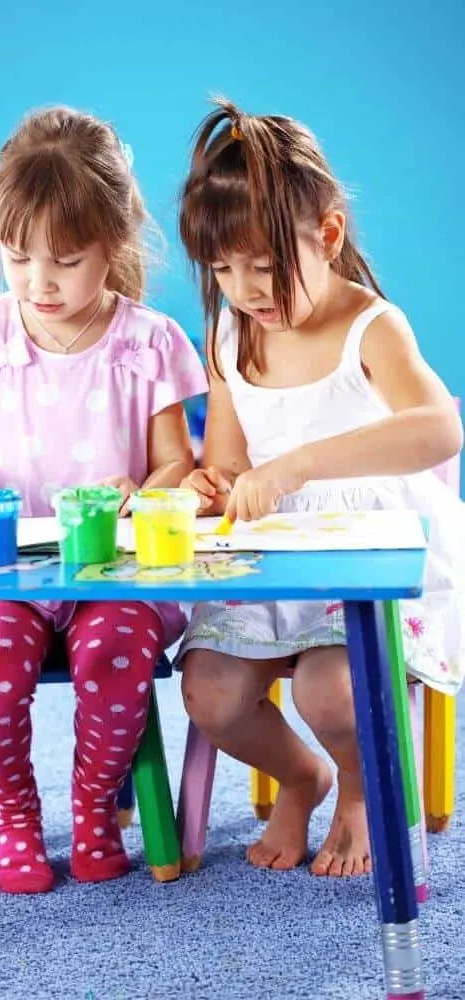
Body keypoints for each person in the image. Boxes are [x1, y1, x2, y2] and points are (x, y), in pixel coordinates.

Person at [0, 106, 208, 893]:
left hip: (112, 572)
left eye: (65, 260)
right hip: (5, 572)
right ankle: (18, 822)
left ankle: (96, 809)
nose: (40, 282)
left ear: (115, 244)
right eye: (18, 258)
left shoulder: (148, 342)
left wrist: (141, 490)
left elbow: (180, 466)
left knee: (115, 649)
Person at [176, 97, 465, 878]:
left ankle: (362, 788)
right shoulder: (230, 333)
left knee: (328, 689)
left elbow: (439, 430)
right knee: (209, 692)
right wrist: (212, 485)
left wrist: (300, 463)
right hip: (273, 558)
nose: (243, 290)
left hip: (366, 557)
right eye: (222, 270)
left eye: (263, 268)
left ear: (327, 235)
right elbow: (231, 463)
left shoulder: (372, 326)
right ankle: (299, 775)